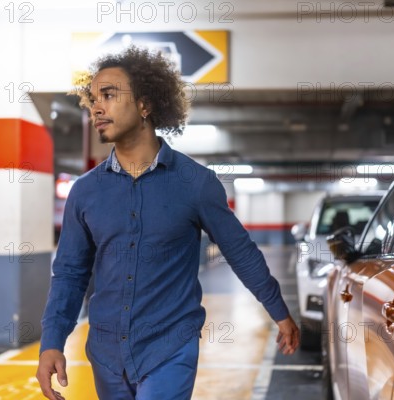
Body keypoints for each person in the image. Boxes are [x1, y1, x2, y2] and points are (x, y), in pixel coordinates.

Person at [36, 46, 300, 400]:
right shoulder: (85, 192)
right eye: (93, 98)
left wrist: (279, 311)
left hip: (169, 349)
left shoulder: (196, 183)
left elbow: (240, 252)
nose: (96, 107)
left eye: (109, 95)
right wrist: (52, 342)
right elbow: (70, 272)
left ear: (145, 104)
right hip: (106, 354)